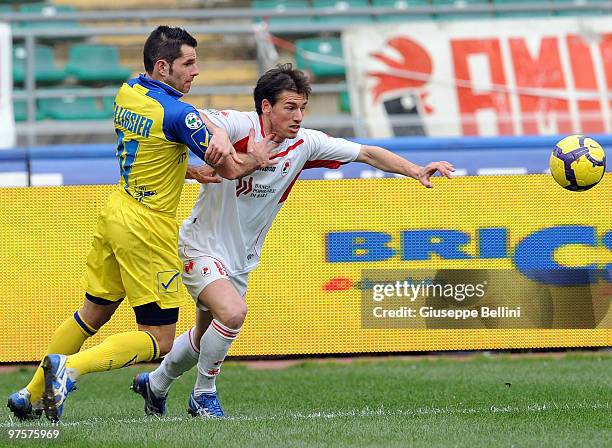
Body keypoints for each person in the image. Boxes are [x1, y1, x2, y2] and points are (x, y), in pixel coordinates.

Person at [133, 63, 455, 418]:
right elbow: (193, 116)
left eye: (302, 107)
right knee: (234, 312)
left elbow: (366, 152)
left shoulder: (305, 143)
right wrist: (215, 144)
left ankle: (156, 384)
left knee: (202, 336)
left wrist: (414, 169)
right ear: (266, 107)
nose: (299, 115)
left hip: (241, 257)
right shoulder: (240, 125)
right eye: (290, 107)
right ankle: (203, 394)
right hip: (202, 245)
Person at [7, 25, 277, 423]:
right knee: (161, 338)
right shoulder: (180, 114)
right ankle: (69, 370)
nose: (196, 71)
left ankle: (30, 396)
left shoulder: (128, 91)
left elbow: (149, 148)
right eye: (188, 63)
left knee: (90, 314)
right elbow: (233, 168)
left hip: (118, 210)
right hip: (147, 228)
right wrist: (255, 157)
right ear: (163, 66)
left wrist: (189, 171)